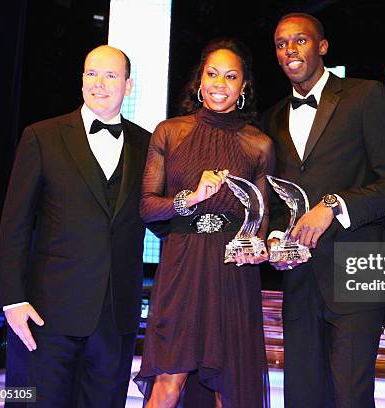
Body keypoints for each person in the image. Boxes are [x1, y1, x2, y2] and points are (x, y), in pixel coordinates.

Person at [262, 13, 385, 408]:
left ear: (322, 46)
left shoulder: (366, 96)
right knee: (302, 398)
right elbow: (278, 199)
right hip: (298, 282)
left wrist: (334, 205)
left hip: (357, 273)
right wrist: (277, 237)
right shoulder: (272, 117)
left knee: (351, 397)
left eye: (300, 40)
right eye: (281, 44)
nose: (290, 50)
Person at [0, 45, 151, 407]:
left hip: (116, 316)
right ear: (81, 81)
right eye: (91, 74)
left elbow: (158, 215)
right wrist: (13, 300)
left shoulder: (149, 145)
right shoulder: (42, 136)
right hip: (47, 314)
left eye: (111, 75)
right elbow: (14, 224)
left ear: (128, 86)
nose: (100, 83)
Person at [134, 38, 273, 408]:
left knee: (228, 384)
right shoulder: (170, 132)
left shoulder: (258, 144)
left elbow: (260, 216)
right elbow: (147, 208)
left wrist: (258, 247)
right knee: (168, 379)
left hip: (232, 272)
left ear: (243, 88)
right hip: (182, 267)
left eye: (230, 76)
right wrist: (191, 198)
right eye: (212, 73)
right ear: (200, 79)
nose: (219, 83)